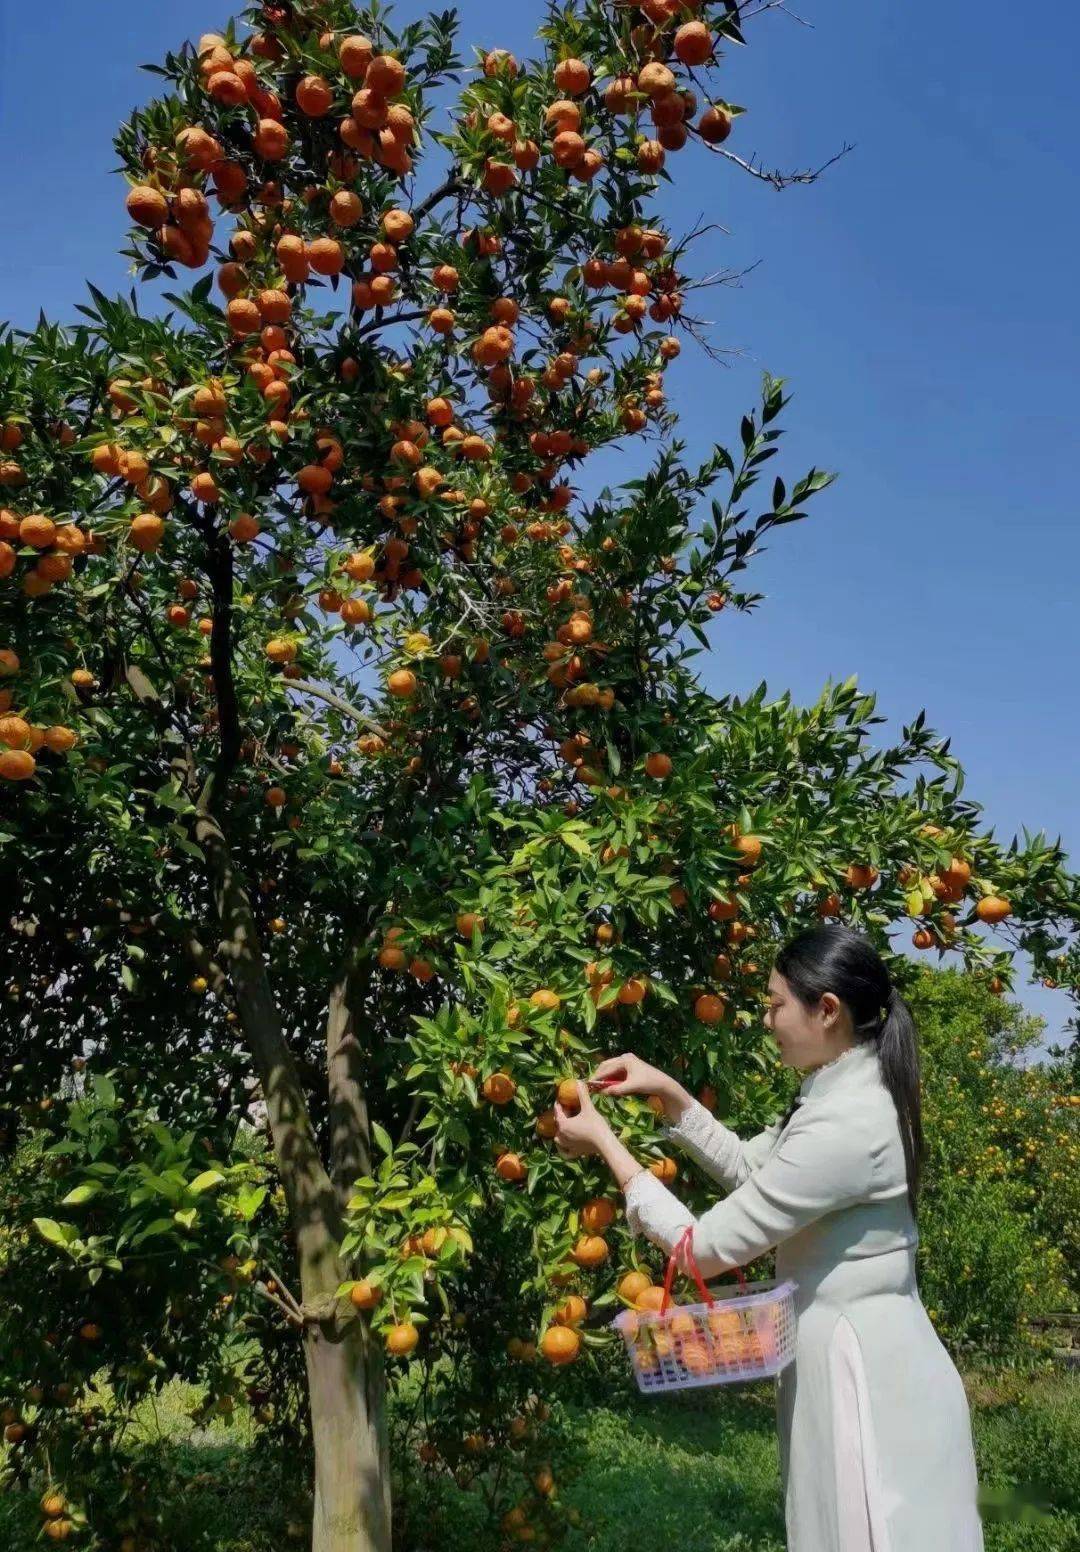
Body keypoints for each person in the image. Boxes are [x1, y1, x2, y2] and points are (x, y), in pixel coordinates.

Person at [553, 923, 984, 1552]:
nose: (767, 1020)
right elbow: (758, 1172)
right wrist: (669, 1093)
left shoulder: (849, 1121)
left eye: (777, 1003)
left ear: (827, 1010)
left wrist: (608, 1148)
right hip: (847, 1349)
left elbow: (700, 1249)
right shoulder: (841, 1092)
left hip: (864, 1374)